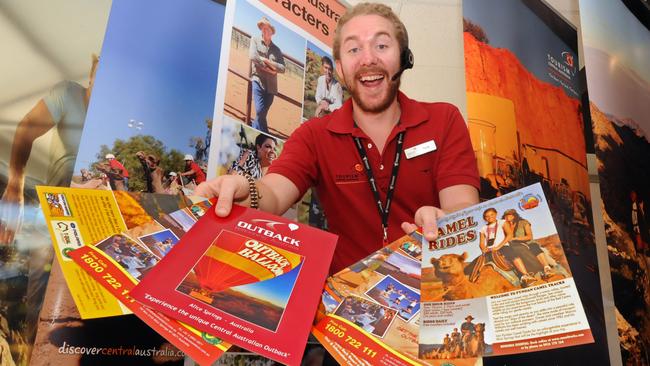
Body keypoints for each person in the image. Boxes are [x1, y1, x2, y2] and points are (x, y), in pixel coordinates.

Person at [196, 3, 479, 274]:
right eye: (354, 49)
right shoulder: (315, 135)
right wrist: (246, 190)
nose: (368, 58)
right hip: (344, 301)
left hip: (431, 288)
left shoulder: (444, 120)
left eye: (382, 45)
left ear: (404, 57)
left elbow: (462, 206)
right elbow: (274, 192)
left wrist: (447, 219)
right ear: (341, 69)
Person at [1, 55, 98, 244]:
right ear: (90, 76)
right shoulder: (69, 94)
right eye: (99, 77)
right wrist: (15, 184)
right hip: (54, 210)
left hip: (90, 217)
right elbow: (27, 129)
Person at [249, 16, 286, 133]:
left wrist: (268, 61)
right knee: (260, 111)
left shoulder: (277, 50)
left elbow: (283, 68)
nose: (265, 31)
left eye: (267, 28)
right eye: (263, 28)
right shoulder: (254, 40)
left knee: (262, 114)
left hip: (271, 87)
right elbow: (253, 56)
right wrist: (269, 69)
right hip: (258, 80)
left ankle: (254, 131)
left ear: (272, 31)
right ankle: (266, 134)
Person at [502, 209, 556, 278]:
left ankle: (547, 268)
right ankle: (523, 275)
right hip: (513, 245)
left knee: (534, 247)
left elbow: (529, 236)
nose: (507, 217)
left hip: (527, 242)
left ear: (514, 216)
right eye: (505, 216)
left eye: (509, 215)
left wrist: (515, 238)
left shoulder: (523, 222)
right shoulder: (505, 227)